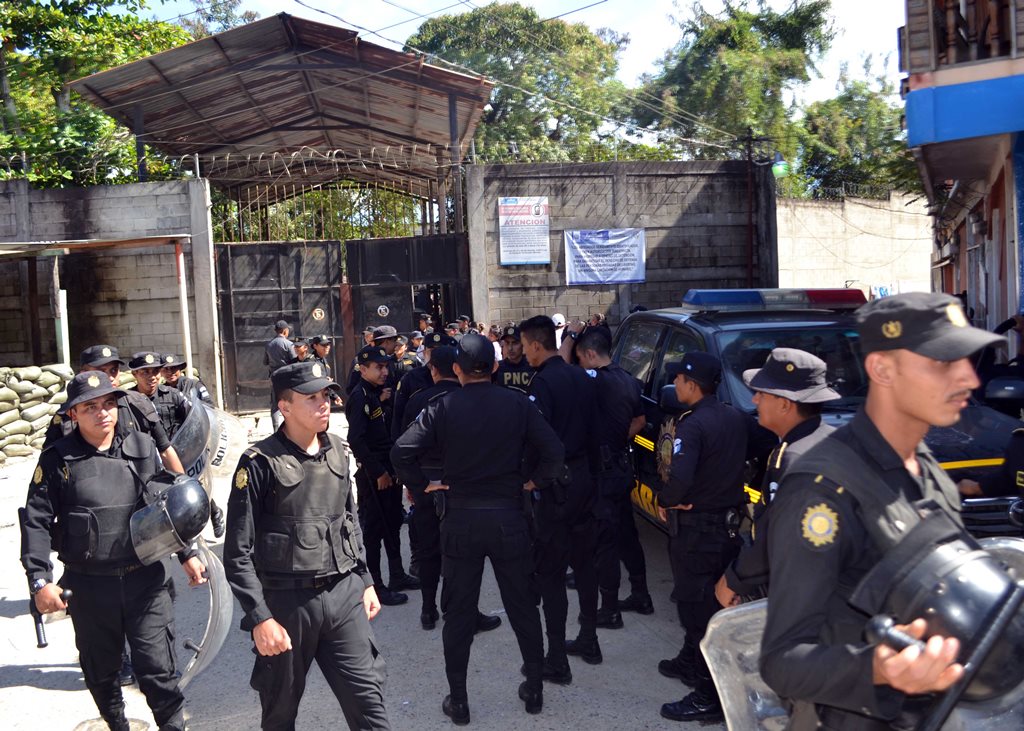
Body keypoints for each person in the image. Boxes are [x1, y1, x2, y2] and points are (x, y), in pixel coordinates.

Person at [759, 292, 1000, 729]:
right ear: (882, 369)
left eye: (967, 360)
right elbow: (781, 661)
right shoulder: (822, 490)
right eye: (944, 362)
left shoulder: (925, 465)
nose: (969, 378)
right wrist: (881, 668)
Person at [392, 333, 565, 723]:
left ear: (456, 369)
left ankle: (459, 700)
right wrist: (534, 482)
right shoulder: (518, 404)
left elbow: (401, 451)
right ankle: (534, 688)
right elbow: (554, 452)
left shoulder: (443, 406)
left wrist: (422, 487)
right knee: (522, 606)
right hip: (509, 518)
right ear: (496, 367)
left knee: (459, 613)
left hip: (461, 521)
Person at [21, 372, 206, 731]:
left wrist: (187, 554)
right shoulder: (57, 460)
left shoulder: (140, 448)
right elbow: (36, 521)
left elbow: (164, 507)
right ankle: (118, 724)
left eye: (109, 404)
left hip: (144, 581)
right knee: (102, 673)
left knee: (158, 671)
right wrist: (39, 580)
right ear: (73, 414)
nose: (103, 413)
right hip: (89, 587)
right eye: (90, 407)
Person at [223, 360, 390, 731]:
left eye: (326, 395)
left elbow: (349, 520)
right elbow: (236, 553)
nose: (324, 403)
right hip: (287, 604)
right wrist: (259, 617)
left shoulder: (338, 450)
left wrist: (364, 579)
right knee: (280, 713)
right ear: (284, 407)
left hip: (343, 596)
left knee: (370, 706)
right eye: (311, 398)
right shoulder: (259, 463)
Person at [656, 352, 749, 723]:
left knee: (697, 610)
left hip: (697, 531)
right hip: (726, 526)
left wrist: (667, 501)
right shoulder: (734, 416)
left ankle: (707, 695)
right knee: (706, 602)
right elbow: (756, 450)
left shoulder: (692, 426)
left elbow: (679, 480)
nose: (675, 385)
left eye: (678, 379)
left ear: (692, 385)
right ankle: (689, 660)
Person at [714, 348, 839, 608]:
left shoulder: (792, 458)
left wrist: (734, 580)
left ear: (785, 404)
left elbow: (775, 536)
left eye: (761, 393)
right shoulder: (828, 438)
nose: (755, 401)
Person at [520, 314, 600, 681]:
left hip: (557, 485)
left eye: (524, 346)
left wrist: (533, 480)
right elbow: (597, 432)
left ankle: (557, 658)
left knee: (551, 573)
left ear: (536, 345)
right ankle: (589, 637)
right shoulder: (582, 375)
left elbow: (539, 440)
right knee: (585, 565)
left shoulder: (543, 383)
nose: (523, 353)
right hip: (585, 480)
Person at [570, 328, 650, 629]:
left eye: (582, 358)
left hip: (603, 475)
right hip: (620, 466)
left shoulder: (595, 381)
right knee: (627, 534)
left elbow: (562, 368)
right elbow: (640, 420)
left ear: (591, 354)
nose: (579, 364)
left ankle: (610, 608)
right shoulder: (630, 380)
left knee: (605, 543)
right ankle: (641, 594)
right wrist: (616, 441)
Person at [345, 345, 418, 606]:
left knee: (393, 523)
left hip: (388, 470)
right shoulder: (360, 396)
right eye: (378, 367)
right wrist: (378, 472)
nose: (384, 371)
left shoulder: (375, 394)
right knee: (374, 531)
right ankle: (375, 586)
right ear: (363, 369)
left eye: (386, 366)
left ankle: (397, 575)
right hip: (374, 475)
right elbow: (356, 439)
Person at [132, 352, 226, 539]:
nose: (152, 377)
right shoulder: (128, 401)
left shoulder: (174, 396)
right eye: (145, 372)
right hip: (146, 460)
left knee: (191, 488)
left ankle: (213, 512)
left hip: (176, 455)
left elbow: (197, 419)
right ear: (135, 374)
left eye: (155, 372)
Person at [264, 320, 295, 429]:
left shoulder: (269, 344)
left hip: (274, 378)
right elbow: (294, 361)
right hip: (287, 378)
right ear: (285, 331)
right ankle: (291, 428)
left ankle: (276, 430)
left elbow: (265, 362)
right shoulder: (289, 344)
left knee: (275, 405)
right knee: (291, 403)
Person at [493, 325, 535, 393]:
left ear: (523, 344)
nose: (510, 348)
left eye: (515, 343)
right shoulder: (497, 367)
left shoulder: (533, 367)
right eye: (507, 343)